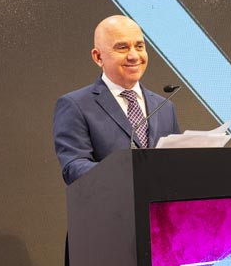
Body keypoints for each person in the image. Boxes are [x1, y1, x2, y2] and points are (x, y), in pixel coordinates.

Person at [53, 15, 182, 185]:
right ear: (98, 57)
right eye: (122, 48)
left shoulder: (164, 106)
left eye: (139, 46)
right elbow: (74, 167)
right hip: (111, 201)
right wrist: (128, 173)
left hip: (161, 202)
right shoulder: (75, 105)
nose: (134, 56)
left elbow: (177, 162)